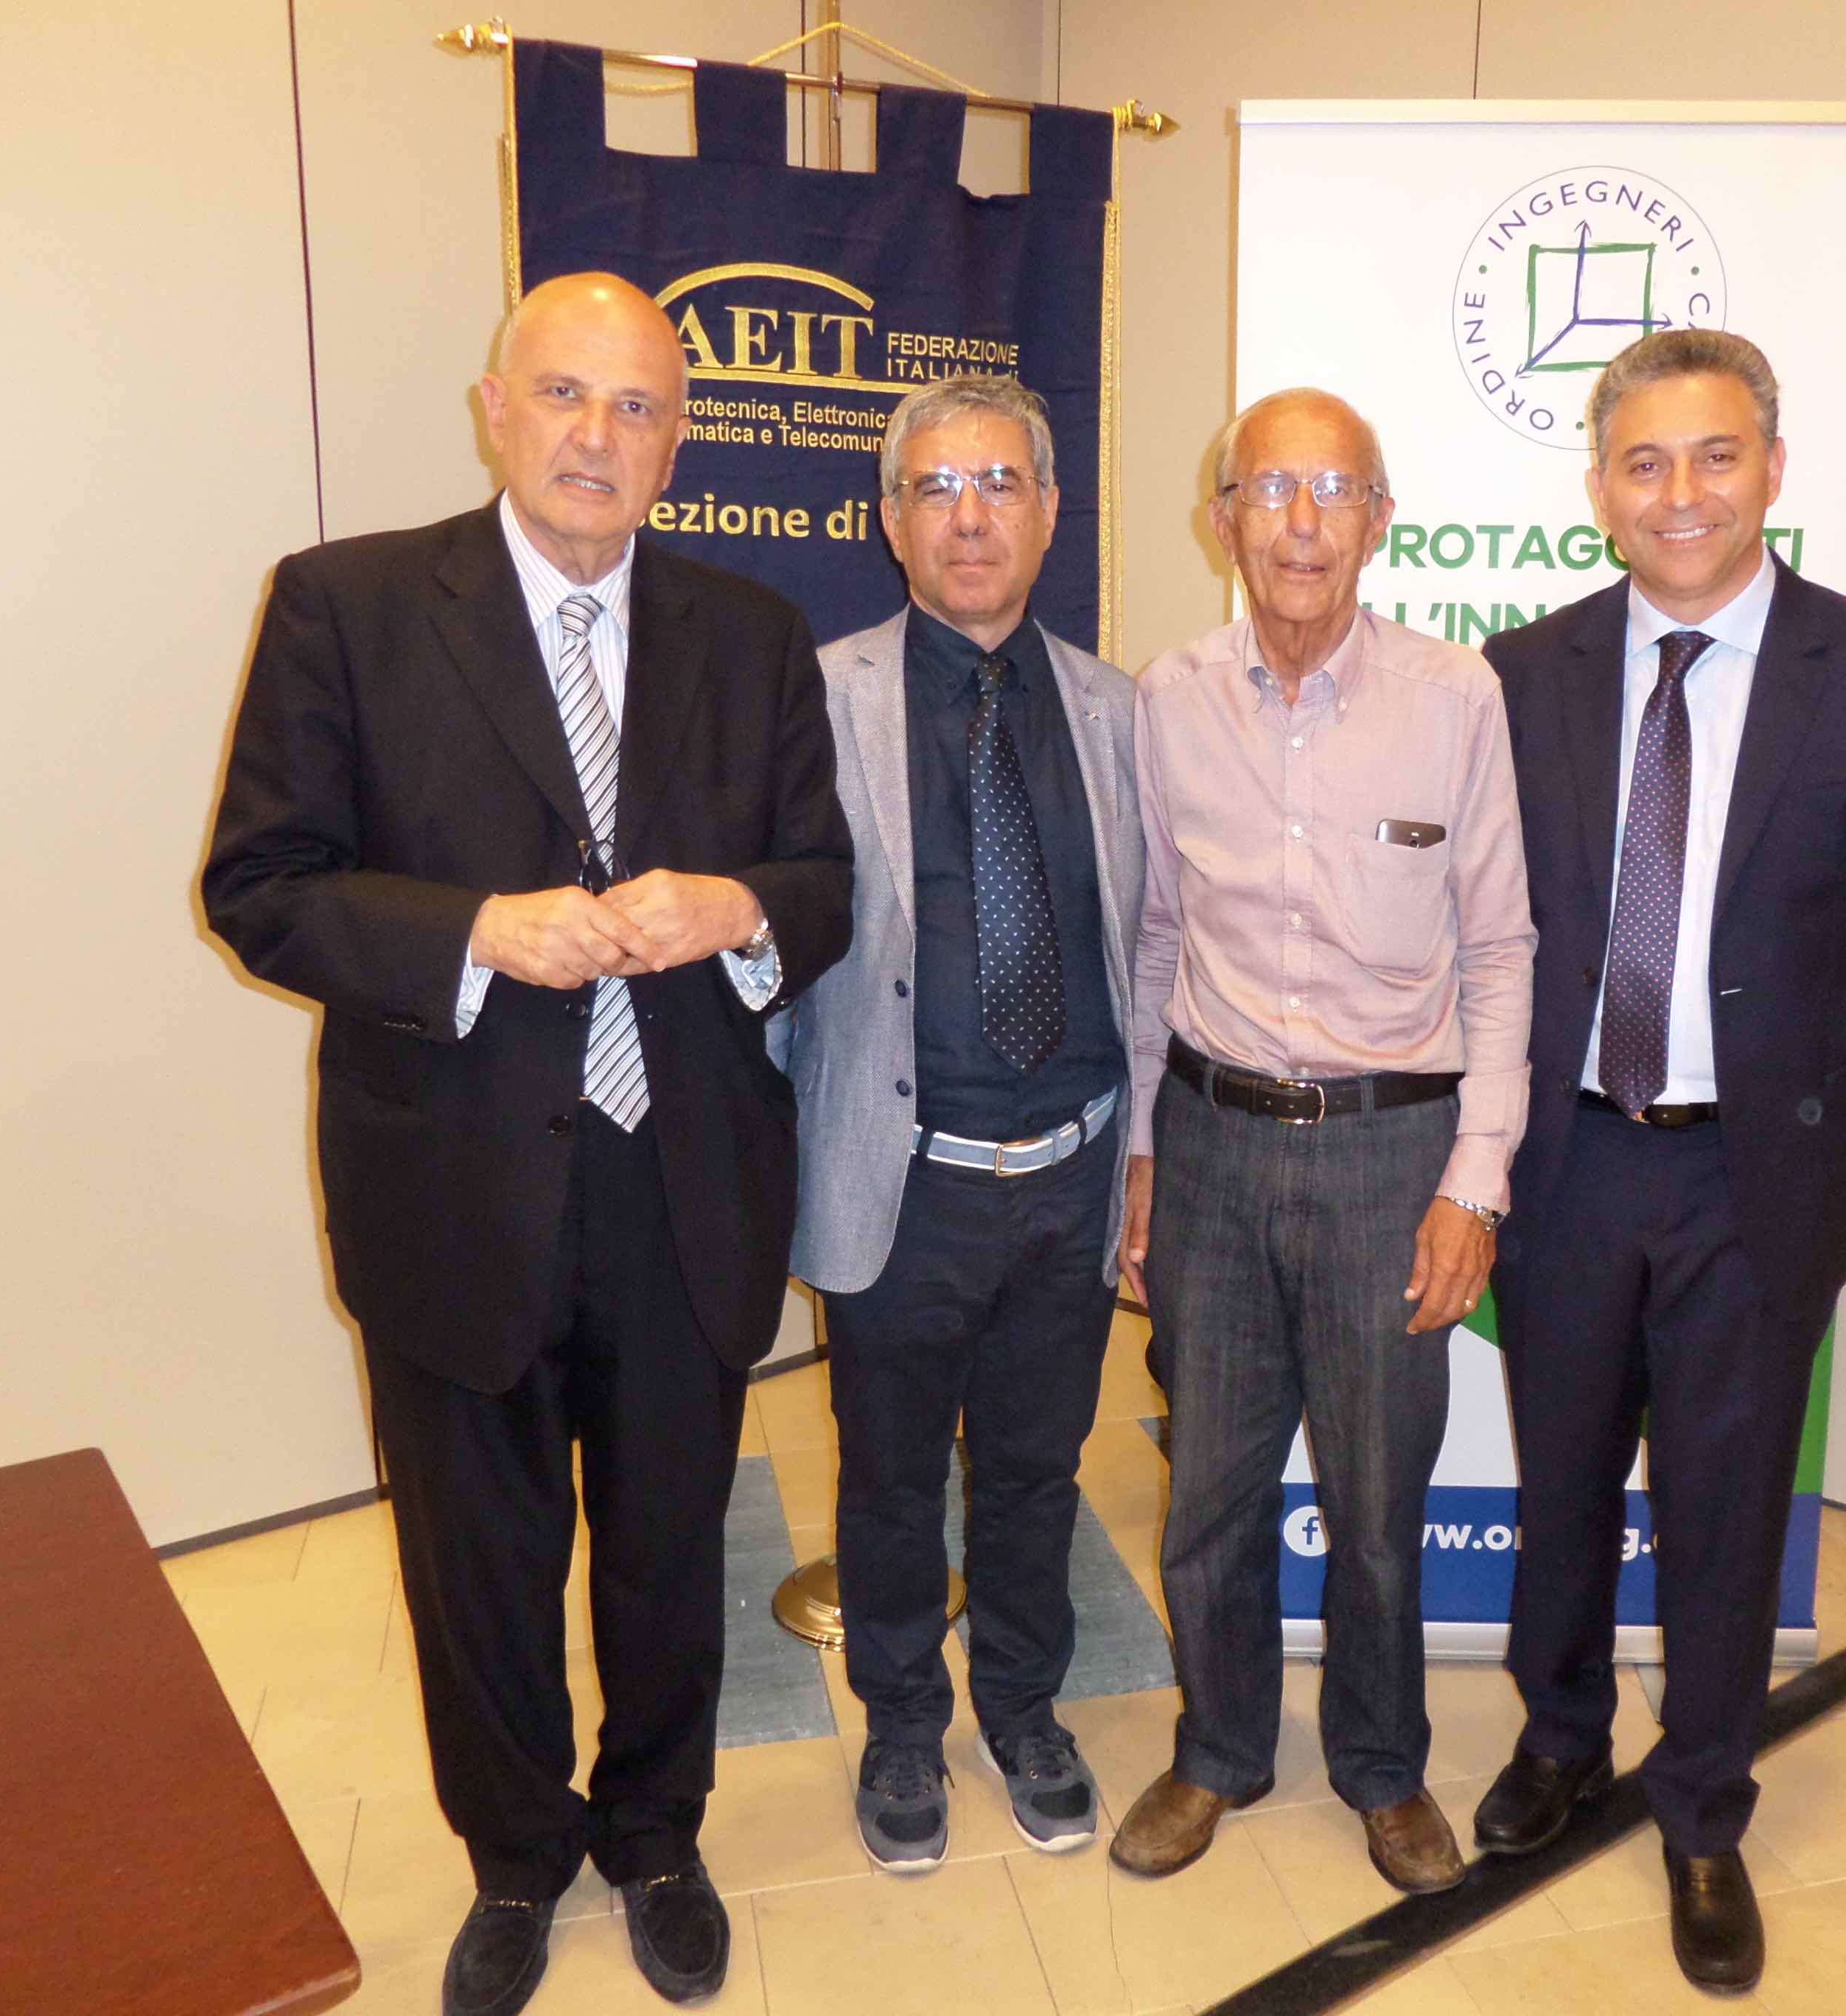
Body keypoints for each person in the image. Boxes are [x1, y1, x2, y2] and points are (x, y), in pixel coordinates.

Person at [203, 272, 851, 2016]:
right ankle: (514, 1856)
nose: (596, 435)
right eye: (564, 394)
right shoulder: (347, 606)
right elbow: (260, 887)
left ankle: (656, 1835)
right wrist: (476, 933)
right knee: (476, 1567)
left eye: (637, 407)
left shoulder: (752, 631)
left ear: (677, 444)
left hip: (680, 1183)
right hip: (454, 1188)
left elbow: (823, 884)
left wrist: (736, 907)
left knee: (667, 1550)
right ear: (495, 409)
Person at [1475, 329, 1846, 1995]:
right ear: (1600, 489)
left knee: (1724, 1502)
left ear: (1771, 468)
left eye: (1712, 456)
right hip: (1569, 1158)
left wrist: (1806, 1062)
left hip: (1757, 1176)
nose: (1679, 493)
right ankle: (1560, 1740)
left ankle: (1702, 1810)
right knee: (1561, 1479)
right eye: (1644, 462)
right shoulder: (1524, 672)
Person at [1108, 388, 1535, 1895]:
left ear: (1379, 520)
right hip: (1212, 1146)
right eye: (1269, 489)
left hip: (1388, 1155)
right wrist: (1143, 1159)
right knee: (1209, 1493)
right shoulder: (1170, 699)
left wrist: (1475, 1181)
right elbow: (1159, 937)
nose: (1300, 522)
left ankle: (1382, 1766)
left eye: (1334, 489)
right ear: (1221, 518)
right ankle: (1219, 1748)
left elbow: (1501, 952)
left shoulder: (1456, 698)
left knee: (1375, 1500)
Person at [780, 372, 1140, 1871]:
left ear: (1051, 512)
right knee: (889, 1481)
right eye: (935, 488)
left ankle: (1026, 1707)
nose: (969, 517)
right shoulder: (814, 700)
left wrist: (1147, 1156)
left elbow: (1154, 944)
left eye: (1000, 485)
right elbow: (773, 955)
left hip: (1070, 1173)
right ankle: (902, 1729)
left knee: (1038, 1473)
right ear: (890, 520)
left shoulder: (1118, 710)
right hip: (903, 1177)